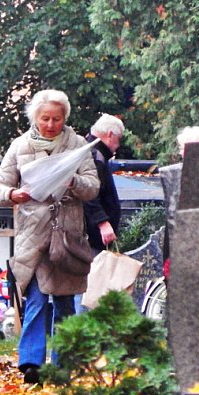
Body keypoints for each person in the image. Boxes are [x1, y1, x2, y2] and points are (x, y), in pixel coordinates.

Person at [0, 89, 99, 384]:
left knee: (64, 302)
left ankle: (62, 365)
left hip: (66, 236)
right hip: (33, 235)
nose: (50, 124)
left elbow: (93, 187)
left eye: (56, 118)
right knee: (35, 298)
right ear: (35, 118)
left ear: (65, 118)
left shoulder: (78, 145)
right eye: (45, 118)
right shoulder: (19, 145)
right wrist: (14, 194)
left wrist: (73, 181)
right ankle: (31, 364)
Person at [77, 114, 126, 313]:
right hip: (92, 236)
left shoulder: (93, 152)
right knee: (89, 289)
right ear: (110, 135)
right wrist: (103, 223)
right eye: (119, 139)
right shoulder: (95, 156)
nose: (118, 145)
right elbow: (89, 194)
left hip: (90, 235)